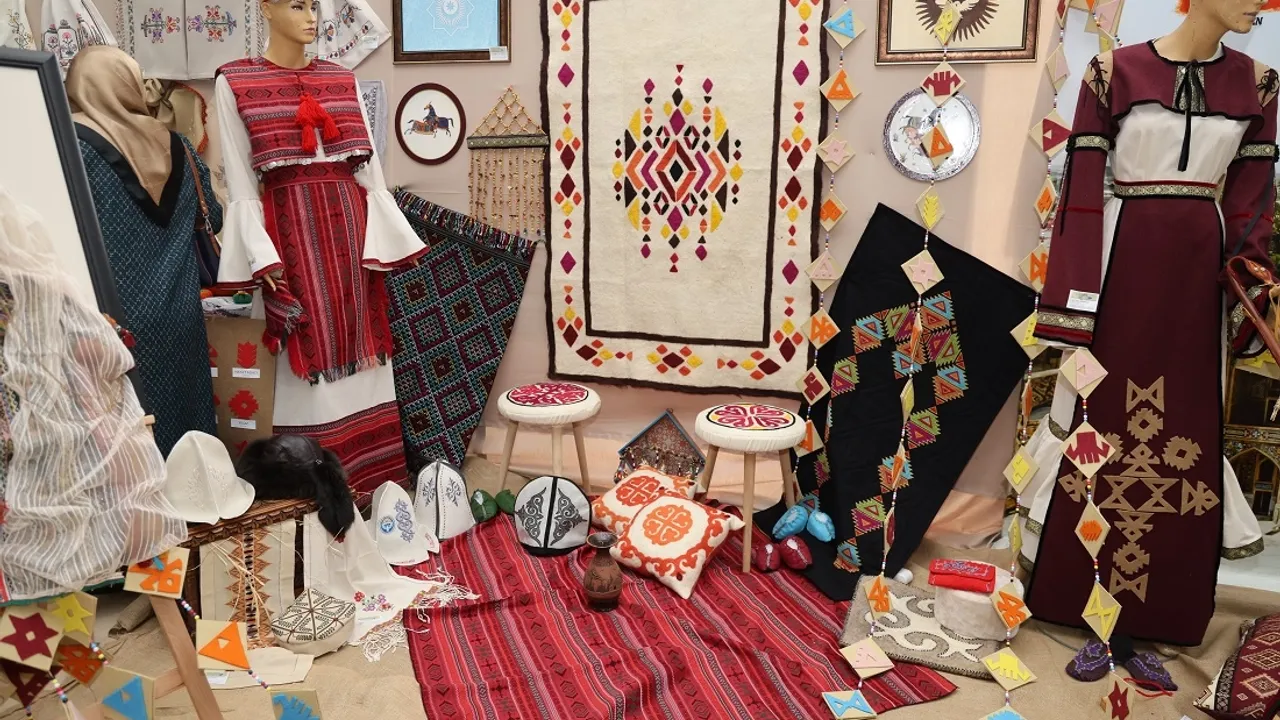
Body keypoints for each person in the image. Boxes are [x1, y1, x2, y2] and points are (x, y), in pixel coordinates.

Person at [1025, 0, 1276, 682]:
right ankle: (1085, 606)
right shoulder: (1113, 72)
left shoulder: (1259, 85)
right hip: (1123, 262)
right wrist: (1073, 302)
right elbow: (1081, 194)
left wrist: (1251, 295)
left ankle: (1160, 614)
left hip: (1197, 278)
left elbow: (1252, 205)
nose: (1259, 4)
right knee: (1100, 426)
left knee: (1184, 439)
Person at [214, 0, 426, 497]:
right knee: (303, 365)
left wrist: (383, 241)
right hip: (290, 241)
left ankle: (376, 490)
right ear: (266, 8)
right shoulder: (234, 81)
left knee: (365, 353)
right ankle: (311, 495)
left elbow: (369, 172)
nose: (311, 17)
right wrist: (262, 255)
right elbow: (241, 183)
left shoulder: (340, 78)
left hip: (352, 239)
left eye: (314, 5)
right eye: (296, 4)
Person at [66, 45, 219, 456]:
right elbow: (214, 216)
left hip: (110, 323)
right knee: (188, 431)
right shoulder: (179, 145)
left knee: (127, 442)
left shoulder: (70, 147)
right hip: (180, 316)